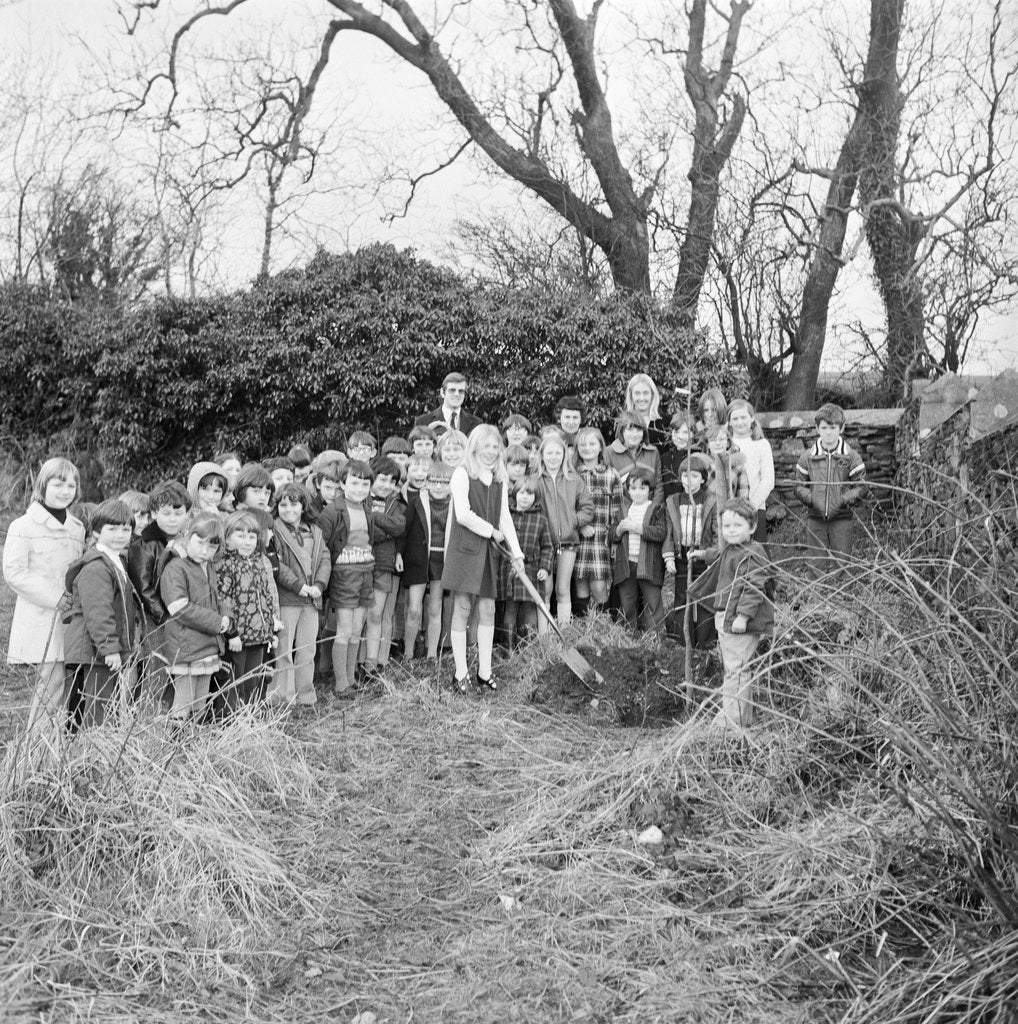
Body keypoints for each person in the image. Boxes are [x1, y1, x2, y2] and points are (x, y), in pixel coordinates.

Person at [3, 457, 87, 735]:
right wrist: (55, 597)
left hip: (73, 621)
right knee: (49, 691)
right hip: (43, 620)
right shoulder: (23, 526)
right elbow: (14, 572)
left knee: (68, 691)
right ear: (43, 485)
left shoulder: (77, 527)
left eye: (71, 485)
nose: (65, 491)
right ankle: (36, 759)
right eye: (58, 484)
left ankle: (58, 756)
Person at [440, 425, 525, 693]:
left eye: (495, 447)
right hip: (466, 550)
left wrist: (517, 552)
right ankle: (460, 673)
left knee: (488, 609)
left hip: (489, 551)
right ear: (475, 446)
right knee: (463, 607)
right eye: (485, 446)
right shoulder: (462, 474)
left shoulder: (499, 478)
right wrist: (491, 531)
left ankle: (485, 672)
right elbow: (463, 514)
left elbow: (504, 517)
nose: (490, 451)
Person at [689, 497, 776, 731]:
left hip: (740, 621)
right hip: (727, 617)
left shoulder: (754, 553)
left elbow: (754, 587)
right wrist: (702, 555)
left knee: (736, 670)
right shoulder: (734, 548)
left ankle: (732, 722)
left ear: (752, 527)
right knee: (735, 668)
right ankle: (742, 719)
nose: (731, 531)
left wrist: (743, 617)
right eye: (727, 526)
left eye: (737, 526)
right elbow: (720, 555)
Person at [62, 499, 141, 731]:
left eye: (126, 529)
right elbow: (99, 612)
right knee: (95, 711)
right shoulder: (97, 566)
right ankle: (88, 760)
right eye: (113, 529)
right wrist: (110, 648)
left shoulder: (116, 561)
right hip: (92, 651)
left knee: (106, 707)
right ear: (96, 531)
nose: (120, 534)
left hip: (100, 651)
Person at [159, 512, 234, 724]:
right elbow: (179, 607)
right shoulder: (176, 567)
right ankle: (176, 745)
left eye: (212, 546)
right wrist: (217, 622)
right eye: (200, 542)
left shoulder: (208, 566)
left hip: (206, 644)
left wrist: (226, 615)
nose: (204, 551)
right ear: (187, 534)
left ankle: (195, 739)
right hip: (187, 645)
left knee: (201, 700)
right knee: (183, 700)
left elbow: (215, 599)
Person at [127, 480, 191, 698]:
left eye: (178, 513)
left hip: (183, 617)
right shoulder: (144, 545)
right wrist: (164, 617)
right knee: (156, 673)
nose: (172, 519)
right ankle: (148, 722)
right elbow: (143, 589)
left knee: (179, 671)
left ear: (187, 513)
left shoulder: (187, 541)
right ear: (154, 513)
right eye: (166, 513)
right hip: (157, 622)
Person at [318, 460, 376, 696]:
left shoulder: (367, 509)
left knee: (356, 628)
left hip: (366, 572)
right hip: (343, 574)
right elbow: (323, 546)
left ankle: (351, 679)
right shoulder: (332, 511)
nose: (360, 488)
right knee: (344, 628)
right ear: (343, 483)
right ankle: (340, 683)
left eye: (365, 484)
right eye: (354, 483)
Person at [271, 483, 331, 707]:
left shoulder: (314, 531)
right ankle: (282, 696)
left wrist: (319, 584)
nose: (288, 509)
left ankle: (305, 693)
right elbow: (276, 563)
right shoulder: (275, 530)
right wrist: (298, 586)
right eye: (283, 504)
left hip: (311, 599)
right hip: (288, 598)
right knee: (283, 650)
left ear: (303, 506)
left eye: (293, 504)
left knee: (307, 648)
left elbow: (324, 559)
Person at [793, 402, 867, 578]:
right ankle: (815, 595)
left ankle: (842, 596)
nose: (828, 432)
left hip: (841, 516)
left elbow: (862, 486)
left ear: (841, 428)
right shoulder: (808, 457)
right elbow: (798, 486)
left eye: (832, 428)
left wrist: (842, 500)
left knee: (842, 559)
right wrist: (812, 499)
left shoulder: (850, 456)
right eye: (824, 428)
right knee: (815, 559)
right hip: (815, 516)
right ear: (818, 429)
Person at [216, 510, 281, 711]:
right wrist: (231, 633)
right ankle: (229, 725)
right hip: (238, 640)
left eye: (252, 536)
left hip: (259, 637)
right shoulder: (225, 565)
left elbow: (266, 599)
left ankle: (249, 721)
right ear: (227, 538)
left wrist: (271, 630)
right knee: (234, 685)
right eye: (241, 536)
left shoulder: (258, 562)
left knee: (253, 683)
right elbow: (223, 603)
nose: (247, 542)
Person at [535, 432, 594, 627]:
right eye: (549, 453)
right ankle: (544, 637)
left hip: (568, 542)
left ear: (564, 455)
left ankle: (564, 632)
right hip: (543, 544)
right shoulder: (536, 480)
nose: (553, 457)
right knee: (545, 589)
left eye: (557, 453)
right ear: (542, 455)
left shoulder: (573, 479)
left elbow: (588, 507)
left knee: (563, 589)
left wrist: (572, 521)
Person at [398, 461, 454, 663]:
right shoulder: (417, 502)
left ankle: (431, 654)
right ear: (427, 482)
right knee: (414, 608)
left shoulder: (456, 505)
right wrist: (399, 555)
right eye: (434, 481)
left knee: (435, 608)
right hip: (418, 559)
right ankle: (408, 652)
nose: (438, 487)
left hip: (442, 562)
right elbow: (404, 531)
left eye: (444, 482)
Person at [663, 454, 716, 647]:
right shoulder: (673, 501)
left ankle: (706, 643)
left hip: (704, 556)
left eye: (694, 476)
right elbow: (669, 531)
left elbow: (717, 530)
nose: (689, 480)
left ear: (703, 479)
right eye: (685, 476)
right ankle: (682, 644)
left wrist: (711, 554)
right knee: (681, 599)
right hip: (682, 556)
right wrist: (669, 557)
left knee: (704, 600)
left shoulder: (711, 500)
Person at [573, 426, 623, 616]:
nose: (587, 448)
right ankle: (583, 626)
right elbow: (567, 507)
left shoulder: (611, 475)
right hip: (578, 536)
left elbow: (618, 511)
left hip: (601, 538)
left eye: (592, 443)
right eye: (582, 444)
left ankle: (601, 626)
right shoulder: (573, 475)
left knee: (600, 586)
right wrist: (581, 524)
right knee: (580, 584)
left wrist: (615, 539)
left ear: (601, 447)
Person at [363, 456, 407, 677]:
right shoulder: (361, 500)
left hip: (383, 566)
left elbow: (398, 527)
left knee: (376, 614)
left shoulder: (396, 504)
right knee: (359, 616)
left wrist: (373, 518)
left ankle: (372, 663)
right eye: (382, 479)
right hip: (360, 566)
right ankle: (357, 662)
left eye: (392, 481)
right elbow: (366, 531)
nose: (386, 485)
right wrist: (383, 527)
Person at [613, 466, 669, 635]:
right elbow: (612, 534)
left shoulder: (656, 508)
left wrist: (638, 528)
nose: (637, 492)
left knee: (653, 602)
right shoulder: (624, 510)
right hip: (627, 563)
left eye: (642, 488)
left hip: (648, 564)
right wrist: (619, 530)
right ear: (628, 490)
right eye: (633, 488)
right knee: (627, 601)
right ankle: (628, 636)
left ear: (650, 490)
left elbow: (660, 533)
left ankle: (656, 637)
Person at [500, 477, 552, 648]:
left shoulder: (541, 519)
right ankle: (508, 648)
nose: (525, 497)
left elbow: (547, 547)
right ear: (514, 494)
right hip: (511, 569)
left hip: (532, 569)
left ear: (536, 497)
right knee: (511, 608)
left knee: (530, 608)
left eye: (530, 494)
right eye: (521, 492)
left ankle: (528, 648)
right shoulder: (506, 516)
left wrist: (545, 567)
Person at [727, 399, 774, 542]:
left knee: (756, 553)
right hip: (729, 510)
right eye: (735, 418)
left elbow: (768, 480)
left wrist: (752, 505)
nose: (739, 422)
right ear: (729, 422)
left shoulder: (761, 444)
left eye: (743, 417)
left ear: (752, 418)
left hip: (755, 508)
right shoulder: (725, 444)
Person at [604, 410, 664, 506]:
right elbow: (607, 490)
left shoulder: (653, 452)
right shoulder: (608, 453)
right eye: (630, 429)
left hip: (650, 513)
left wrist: (652, 511)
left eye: (639, 430)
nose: (635, 434)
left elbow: (659, 486)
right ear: (622, 431)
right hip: (622, 515)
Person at [414, 372, 482, 437]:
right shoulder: (423, 422)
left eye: (461, 391)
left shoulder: (477, 424)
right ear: (442, 393)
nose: (457, 394)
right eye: (452, 390)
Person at [661, 411, 698, 501]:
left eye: (685, 432)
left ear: (693, 434)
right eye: (676, 432)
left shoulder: (697, 457)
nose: (680, 437)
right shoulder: (665, 458)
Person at [624, 373, 668, 448]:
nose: (641, 398)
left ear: (652, 395)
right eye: (637, 393)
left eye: (645, 393)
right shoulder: (623, 422)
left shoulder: (666, 423)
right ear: (631, 396)